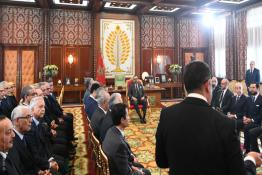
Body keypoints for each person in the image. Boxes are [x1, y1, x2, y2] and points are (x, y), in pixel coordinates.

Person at [155, 61, 262, 175]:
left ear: (185, 86)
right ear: (207, 85)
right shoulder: (225, 123)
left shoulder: (166, 114)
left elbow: (162, 161)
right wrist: (250, 160)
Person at [102, 103, 151, 175]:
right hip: (117, 172)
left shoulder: (111, 130)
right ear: (122, 119)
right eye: (127, 115)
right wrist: (139, 173)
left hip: (117, 166)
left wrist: (132, 167)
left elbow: (121, 160)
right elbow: (127, 173)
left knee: (140, 166)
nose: (129, 117)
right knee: (147, 172)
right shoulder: (119, 145)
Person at [243, 83, 262, 154]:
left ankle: (252, 150)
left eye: (253, 87)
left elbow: (261, 115)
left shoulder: (261, 99)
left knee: (247, 128)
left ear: (257, 88)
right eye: (250, 87)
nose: (251, 89)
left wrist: (251, 120)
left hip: (257, 123)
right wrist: (244, 117)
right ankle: (248, 149)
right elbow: (245, 110)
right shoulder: (248, 98)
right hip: (248, 121)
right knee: (242, 125)